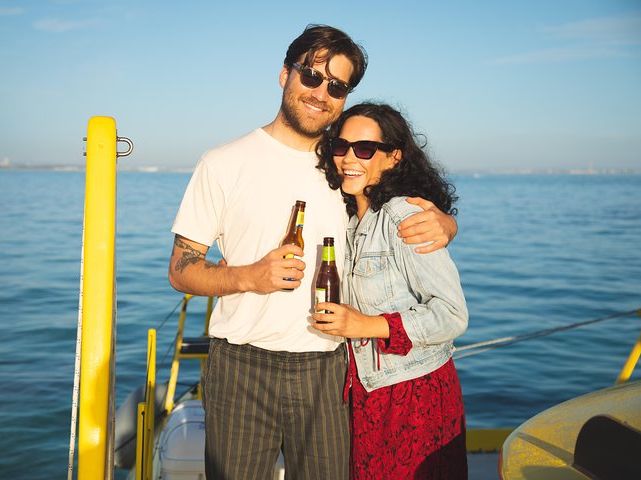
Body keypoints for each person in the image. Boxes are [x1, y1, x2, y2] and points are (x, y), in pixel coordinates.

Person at [168, 25, 458, 479]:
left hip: (329, 366)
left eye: (337, 86)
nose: (322, 93)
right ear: (285, 74)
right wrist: (248, 276)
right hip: (241, 364)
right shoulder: (222, 163)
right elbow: (181, 270)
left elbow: (397, 214)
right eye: (311, 76)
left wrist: (447, 224)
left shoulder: (346, 163)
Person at [311, 102, 469, 479]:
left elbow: (452, 315)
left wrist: (366, 325)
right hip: (367, 396)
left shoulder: (404, 217)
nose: (349, 157)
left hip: (413, 398)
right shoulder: (349, 218)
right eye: (341, 146)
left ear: (393, 157)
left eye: (365, 149)